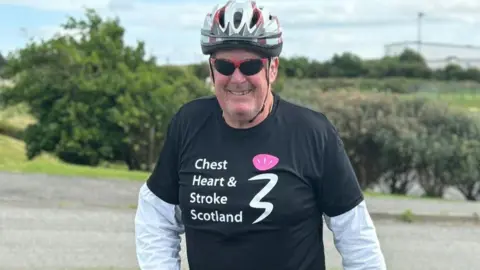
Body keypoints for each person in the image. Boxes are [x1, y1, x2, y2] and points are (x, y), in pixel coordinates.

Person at [134, 1, 387, 269]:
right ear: (211, 70)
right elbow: (157, 215)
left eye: (251, 66)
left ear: (272, 69)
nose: (238, 78)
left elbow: (356, 238)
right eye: (225, 66)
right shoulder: (188, 124)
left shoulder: (312, 133)